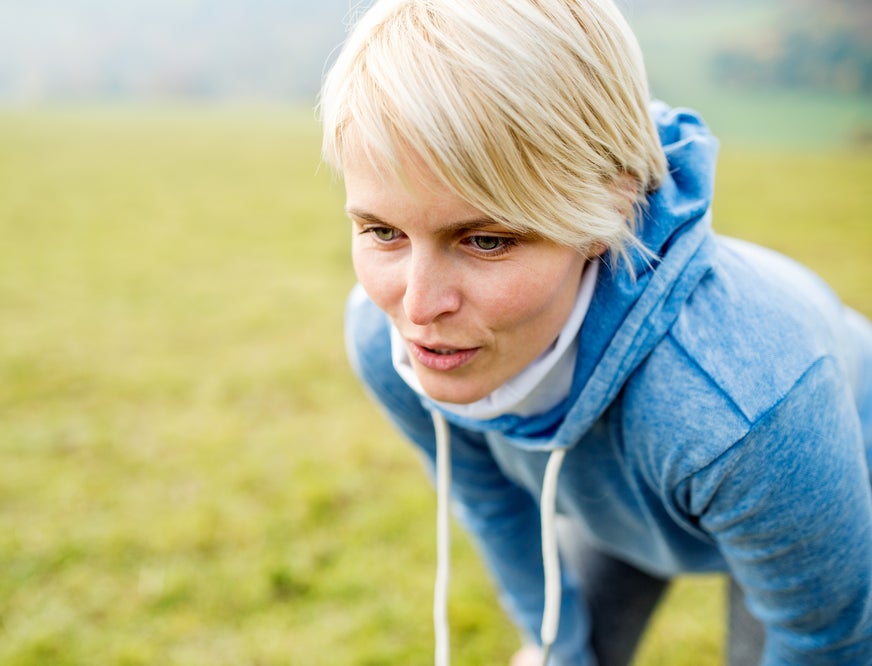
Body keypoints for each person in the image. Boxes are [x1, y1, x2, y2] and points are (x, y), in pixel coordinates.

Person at [318, 0, 872, 664]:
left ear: (612, 205)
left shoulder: (747, 401)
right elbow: (490, 504)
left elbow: (825, 636)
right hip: (631, 493)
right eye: (383, 232)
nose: (418, 306)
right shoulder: (390, 344)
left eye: (487, 240)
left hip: (818, 476)